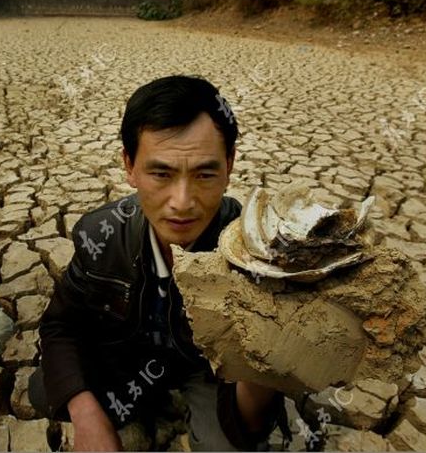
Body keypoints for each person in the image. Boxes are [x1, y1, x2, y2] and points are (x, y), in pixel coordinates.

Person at [28, 75, 291, 451]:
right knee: (46, 388)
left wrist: (265, 368)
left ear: (230, 164)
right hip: (129, 356)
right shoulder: (101, 235)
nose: (182, 202)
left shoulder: (258, 255)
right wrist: (88, 418)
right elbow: (61, 326)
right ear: (129, 165)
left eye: (204, 173)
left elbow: (253, 414)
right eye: (161, 174)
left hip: (210, 372)